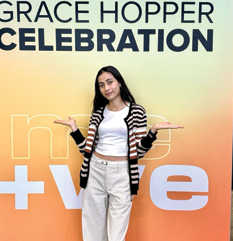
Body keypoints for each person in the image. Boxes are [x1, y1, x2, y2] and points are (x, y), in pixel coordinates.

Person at [54, 65, 183, 241]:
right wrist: (75, 130)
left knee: (117, 234)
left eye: (110, 82)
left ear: (119, 82)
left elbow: (139, 151)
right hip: (95, 170)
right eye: (101, 85)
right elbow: (87, 150)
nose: (106, 88)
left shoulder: (136, 111)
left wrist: (152, 132)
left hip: (122, 172)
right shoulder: (98, 113)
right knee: (92, 230)